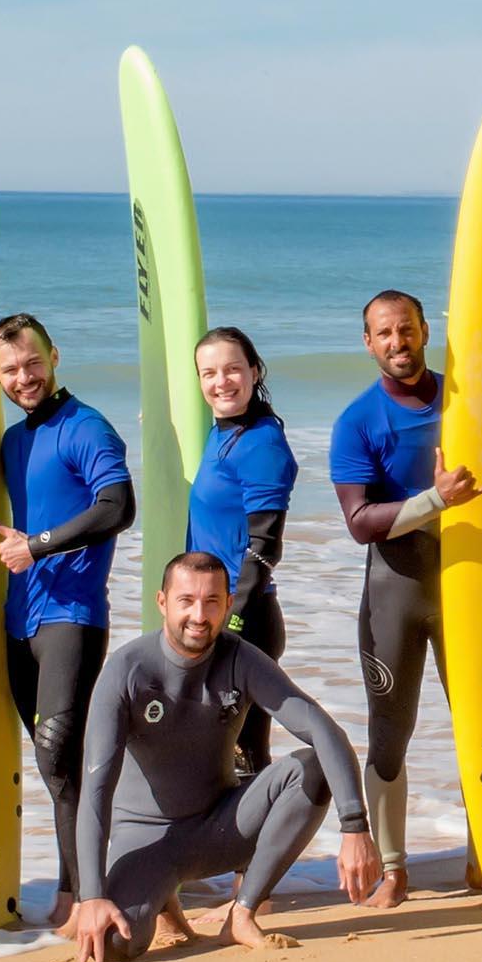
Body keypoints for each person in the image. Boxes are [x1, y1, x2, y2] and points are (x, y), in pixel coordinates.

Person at [63, 552, 377, 962]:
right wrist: (91, 896)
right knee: (113, 944)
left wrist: (355, 826)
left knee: (311, 768)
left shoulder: (240, 658)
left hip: (220, 826)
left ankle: (242, 912)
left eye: (212, 601)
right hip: (147, 839)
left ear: (228, 605)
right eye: (186, 600)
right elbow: (96, 789)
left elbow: (322, 729)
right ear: (162, 603)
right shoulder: (128, 670)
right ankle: (164, 903)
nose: (199, 614)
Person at [329, 289, 482, 906]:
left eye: (407, 330)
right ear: (368, 342)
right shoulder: (358, 421)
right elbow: (361, 522)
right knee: (390, 731)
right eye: (384, 334)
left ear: (426, 331)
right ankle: (393, 870)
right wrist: (436, 502)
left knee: (481, 726)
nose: (398, 343)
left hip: (470, 587)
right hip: (396, 589)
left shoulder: (467, 402)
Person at [0, 312, 134, 923]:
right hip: (19, 618)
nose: (24, 378)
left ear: (55, 356)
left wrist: (37, 544)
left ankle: (81, 895)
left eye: (32, 363)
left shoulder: (86, 427)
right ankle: (85, 884)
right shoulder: (12, 441)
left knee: (56, 754)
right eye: (10, 369)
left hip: (72, 614)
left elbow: (118, 507)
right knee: (59, 769)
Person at [186, 326, 298, 778]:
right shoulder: (223, 434)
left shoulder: (262, 443)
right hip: (214, 614)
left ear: (254, 371)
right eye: (209, 373)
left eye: (233, 369)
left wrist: (229, 622)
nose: (222, 382)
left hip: (243, 620)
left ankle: (263, 849)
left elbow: (265, 548)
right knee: (221, 761)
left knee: (245, 759)